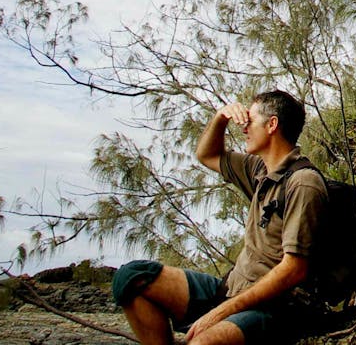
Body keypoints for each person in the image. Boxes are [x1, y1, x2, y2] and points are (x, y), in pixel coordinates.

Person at [112, 90, 328, 344]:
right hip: (231, 290)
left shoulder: (303, 183)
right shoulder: (259, 170)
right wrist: (220, 118)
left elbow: (294, 269)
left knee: (203, 342)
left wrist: (220, 313)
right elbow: (208, 155)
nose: (244, 128)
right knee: (131, 278)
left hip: (276, 307)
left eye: (250, 120)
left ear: (272, 125)